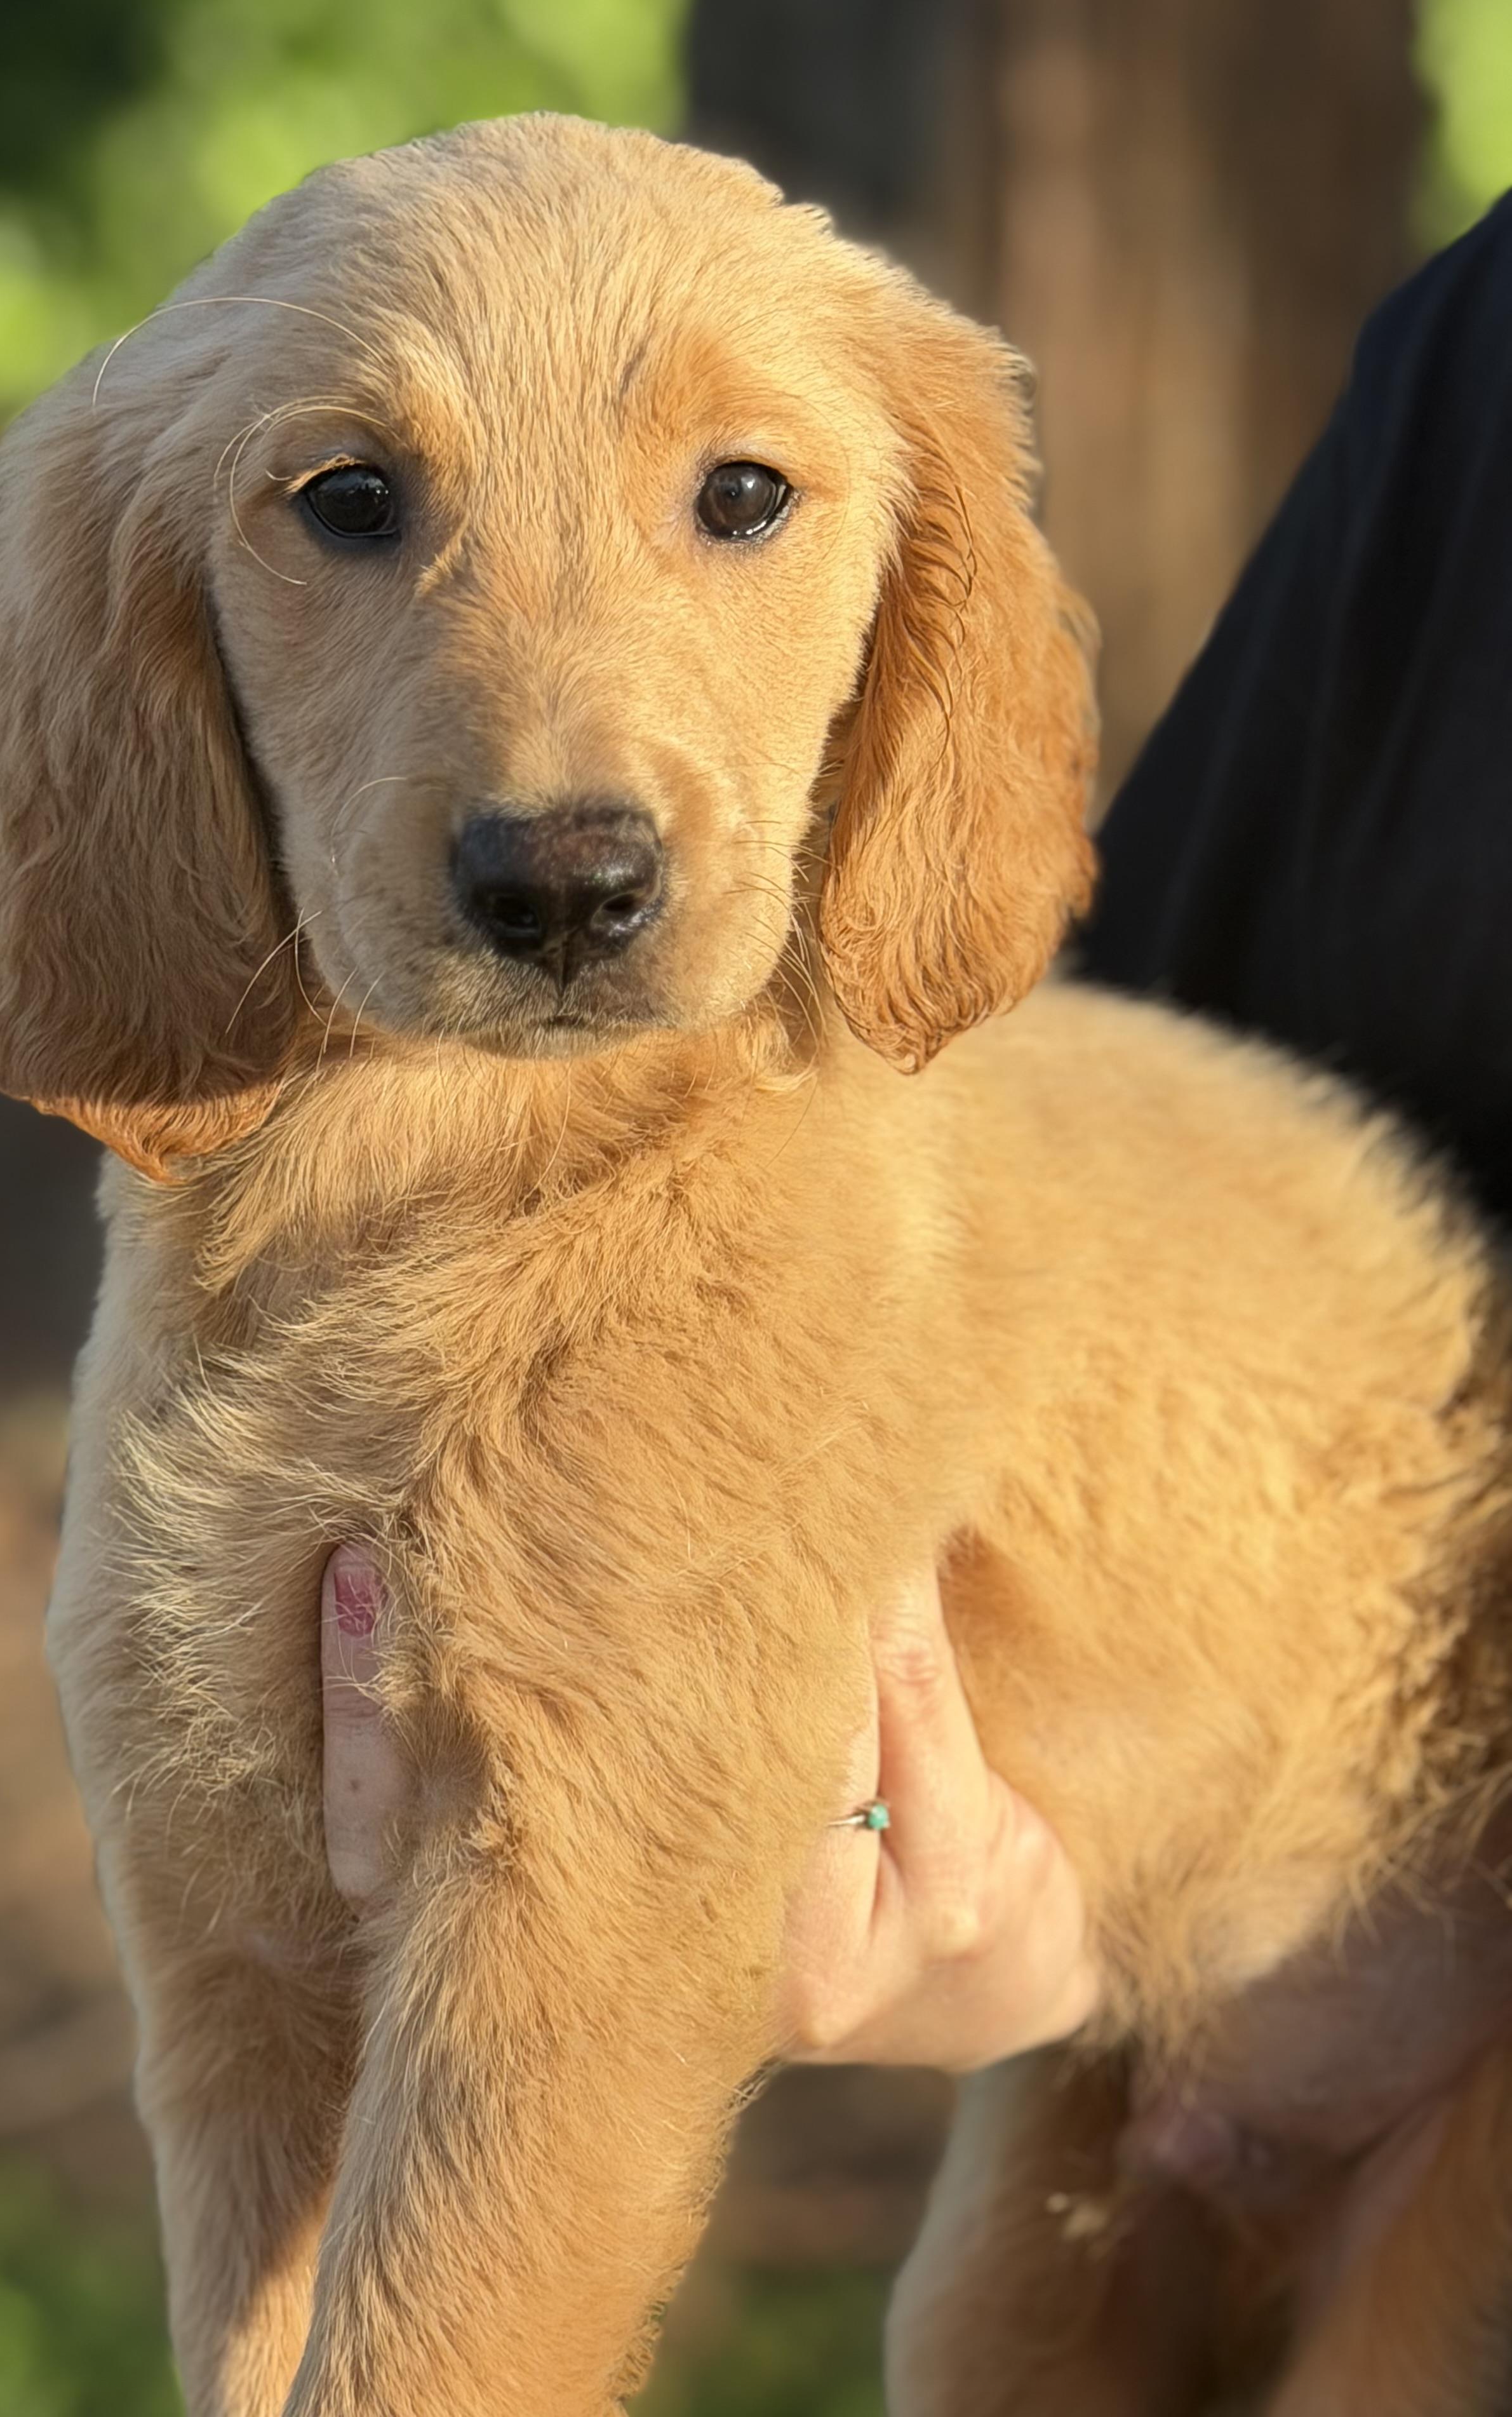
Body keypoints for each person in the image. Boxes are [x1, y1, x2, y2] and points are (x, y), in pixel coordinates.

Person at [321, 192, 1512, 2072]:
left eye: (738, 501)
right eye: (355, 510)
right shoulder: (1480, 368)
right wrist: (1038, 1875)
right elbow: (1157, 1184)